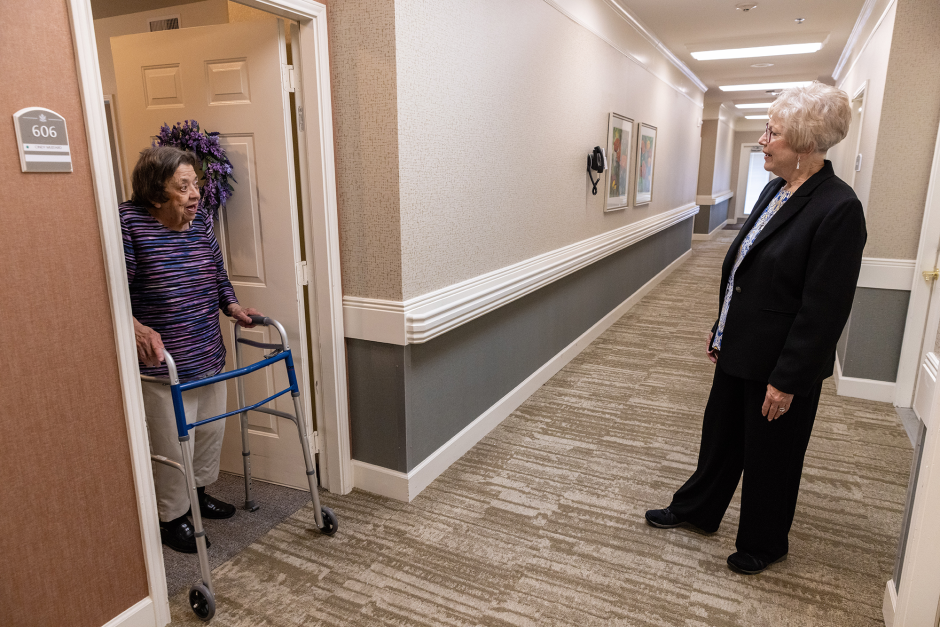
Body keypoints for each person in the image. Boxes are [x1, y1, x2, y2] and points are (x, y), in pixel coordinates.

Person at [644, 82, 867, 574]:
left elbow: (825, 307)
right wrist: (720, 327)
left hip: (782, 361)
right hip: (739, 345)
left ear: (804, 144)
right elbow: (744, 272)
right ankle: (697, 510)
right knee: (720, 437)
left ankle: (764, 542)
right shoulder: (775, 190)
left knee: (773, 457)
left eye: (773, 132)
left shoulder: (838, 207)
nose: (763, 140)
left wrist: (788, 380)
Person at [121, 146, 262, 553]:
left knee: (208, 434)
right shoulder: (129, 224)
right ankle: (172, 517)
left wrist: (233, 307)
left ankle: (198, 497)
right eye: (183, 187)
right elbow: (113, 291)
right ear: (154, 194)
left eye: (195, 184)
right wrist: (134, 327)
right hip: (163, 366)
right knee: (171, 445)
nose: (195, 194)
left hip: (207, 352)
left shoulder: (199, 221)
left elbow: (218, 274)